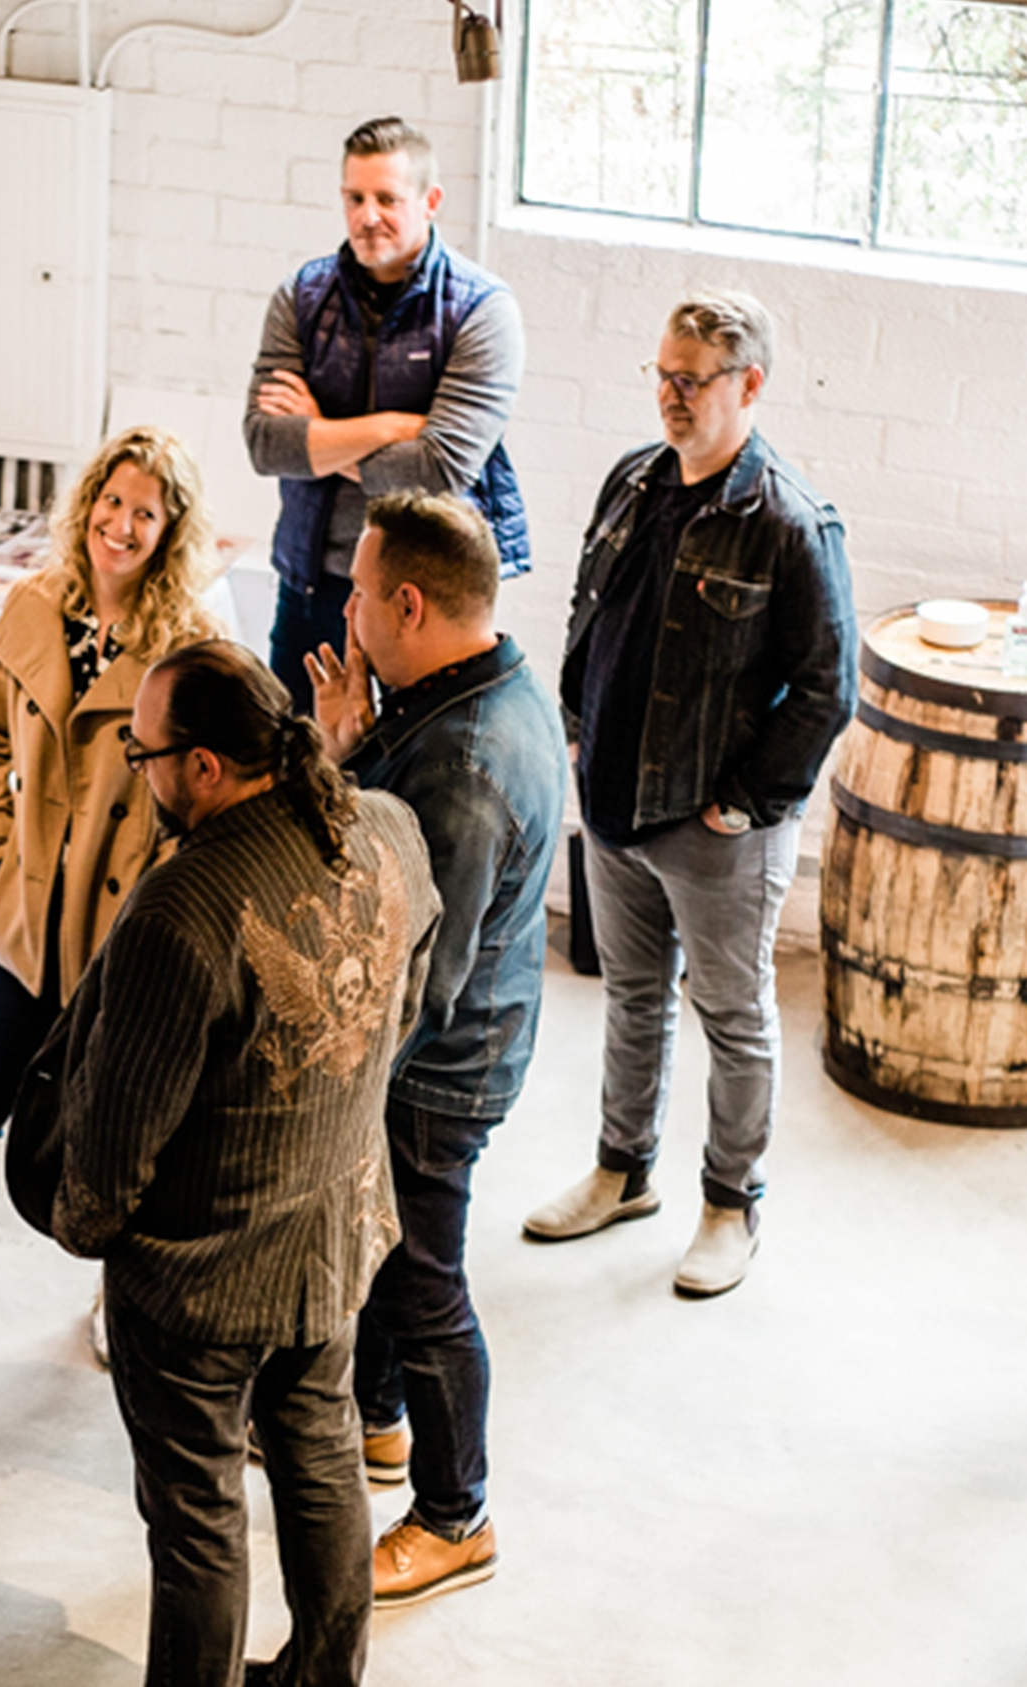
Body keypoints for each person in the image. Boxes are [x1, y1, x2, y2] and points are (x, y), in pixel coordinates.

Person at [42, 641, 438, 1687]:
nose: (142, 768)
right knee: (322, 1460)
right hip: (333, 1242)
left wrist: (86, 1230)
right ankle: (324, 1674)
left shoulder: (182, 910)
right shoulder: (385, 826)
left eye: (145, 750)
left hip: (197, 1281)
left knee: (198, 1523)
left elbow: (115, 1144)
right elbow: (414, 987)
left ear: (206, 766)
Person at [526, 288, 856, 1298]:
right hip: (617, 801)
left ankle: (729, 1201)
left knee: (731, 1013)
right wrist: (577, 726)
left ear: (747, 385)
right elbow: (592, 615)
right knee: (630, 997)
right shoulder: (632, 479)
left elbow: (827, 688)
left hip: (715, 825)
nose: (669, 397)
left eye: (691, 380)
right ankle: (623, 1173)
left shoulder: (789, 522)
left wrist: (747, 803)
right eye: (660, 375)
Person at [305, 491, 565, 1606]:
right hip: (454, 1048)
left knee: (424, 1284)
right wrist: (356, 749)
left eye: (358, 592)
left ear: (406, 603)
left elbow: (416, 968)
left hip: (436, 1075)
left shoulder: (463, 765)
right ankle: (377, 1420)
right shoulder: (472, 684)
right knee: (383, 1253)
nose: (345, 608)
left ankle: (457, 1514)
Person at [0, 425, 224, 1285]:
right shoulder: (33, 607)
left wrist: (157, 910)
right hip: (27, 925)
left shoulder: (188, 645)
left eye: (147, 514)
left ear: (171, 533)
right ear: (88, 501)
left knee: (122, 1143)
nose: (122, 526)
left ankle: (119, 1303)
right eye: (113, 501)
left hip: (120, 940)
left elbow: (203, 804)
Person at [245, 116, 528, 714]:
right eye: (355, 198)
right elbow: (267, 444)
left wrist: (320, 434)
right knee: (299, 766)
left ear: (431, 201)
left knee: (407, 782)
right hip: (314, 582)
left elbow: (442, 471)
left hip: (424, 599)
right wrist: (396, 427)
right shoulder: (301, 296)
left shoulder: (483, 312)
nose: (367, 216)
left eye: (387, 199)